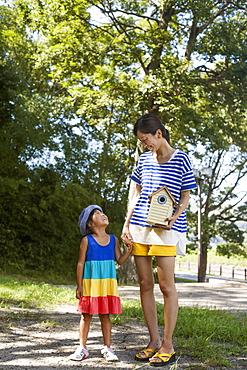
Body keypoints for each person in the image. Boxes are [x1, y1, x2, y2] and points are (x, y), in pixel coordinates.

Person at [121, 113, 197, 367]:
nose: (144, 144)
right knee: (145, 284)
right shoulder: (143, 160)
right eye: (141, 141)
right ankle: (153, 341)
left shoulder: (181, 158)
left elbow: (186, 195)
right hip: (140, 228)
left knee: (166, 287)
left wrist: (176, 216)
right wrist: (126, 224)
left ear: (158, 134)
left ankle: (168, 344)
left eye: (146, 139)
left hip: (166, 229)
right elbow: (135, 193)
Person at [70, 204, 132, 362]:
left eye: (102, 212)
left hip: (106, 284)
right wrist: (79, 285)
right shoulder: (87, 240)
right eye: (97, 213)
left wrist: (129, 251)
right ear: (90, 224)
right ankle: (82, 348)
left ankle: (107, 347)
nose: (103, 214)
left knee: (105, 316)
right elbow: (80, 264)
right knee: (86, 316)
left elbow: (119, 260)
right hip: (90, 284)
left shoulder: (113, 240)